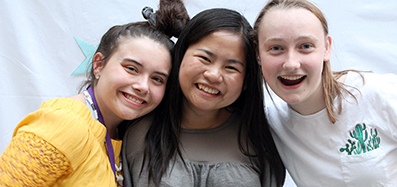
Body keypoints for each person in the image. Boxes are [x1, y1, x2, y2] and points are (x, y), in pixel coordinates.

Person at [0, 0, 189, 186]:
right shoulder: (67, 123)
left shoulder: (125, 134)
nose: (143, 86)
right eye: (131, 68)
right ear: (98, 64)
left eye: (157, 79)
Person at [253, 0, 397, 186]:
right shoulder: (272, 123)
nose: (291, 63)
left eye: (306, 46)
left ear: (326, 48)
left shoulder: (377, 94)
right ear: (258, 54)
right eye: (276, 48)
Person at [122, 8, 285, 187]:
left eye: (231, 68)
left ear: (246, 80)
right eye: (205, 58)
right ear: (180, 55)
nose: (214, 75)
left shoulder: (259, 139)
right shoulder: (140, 133)